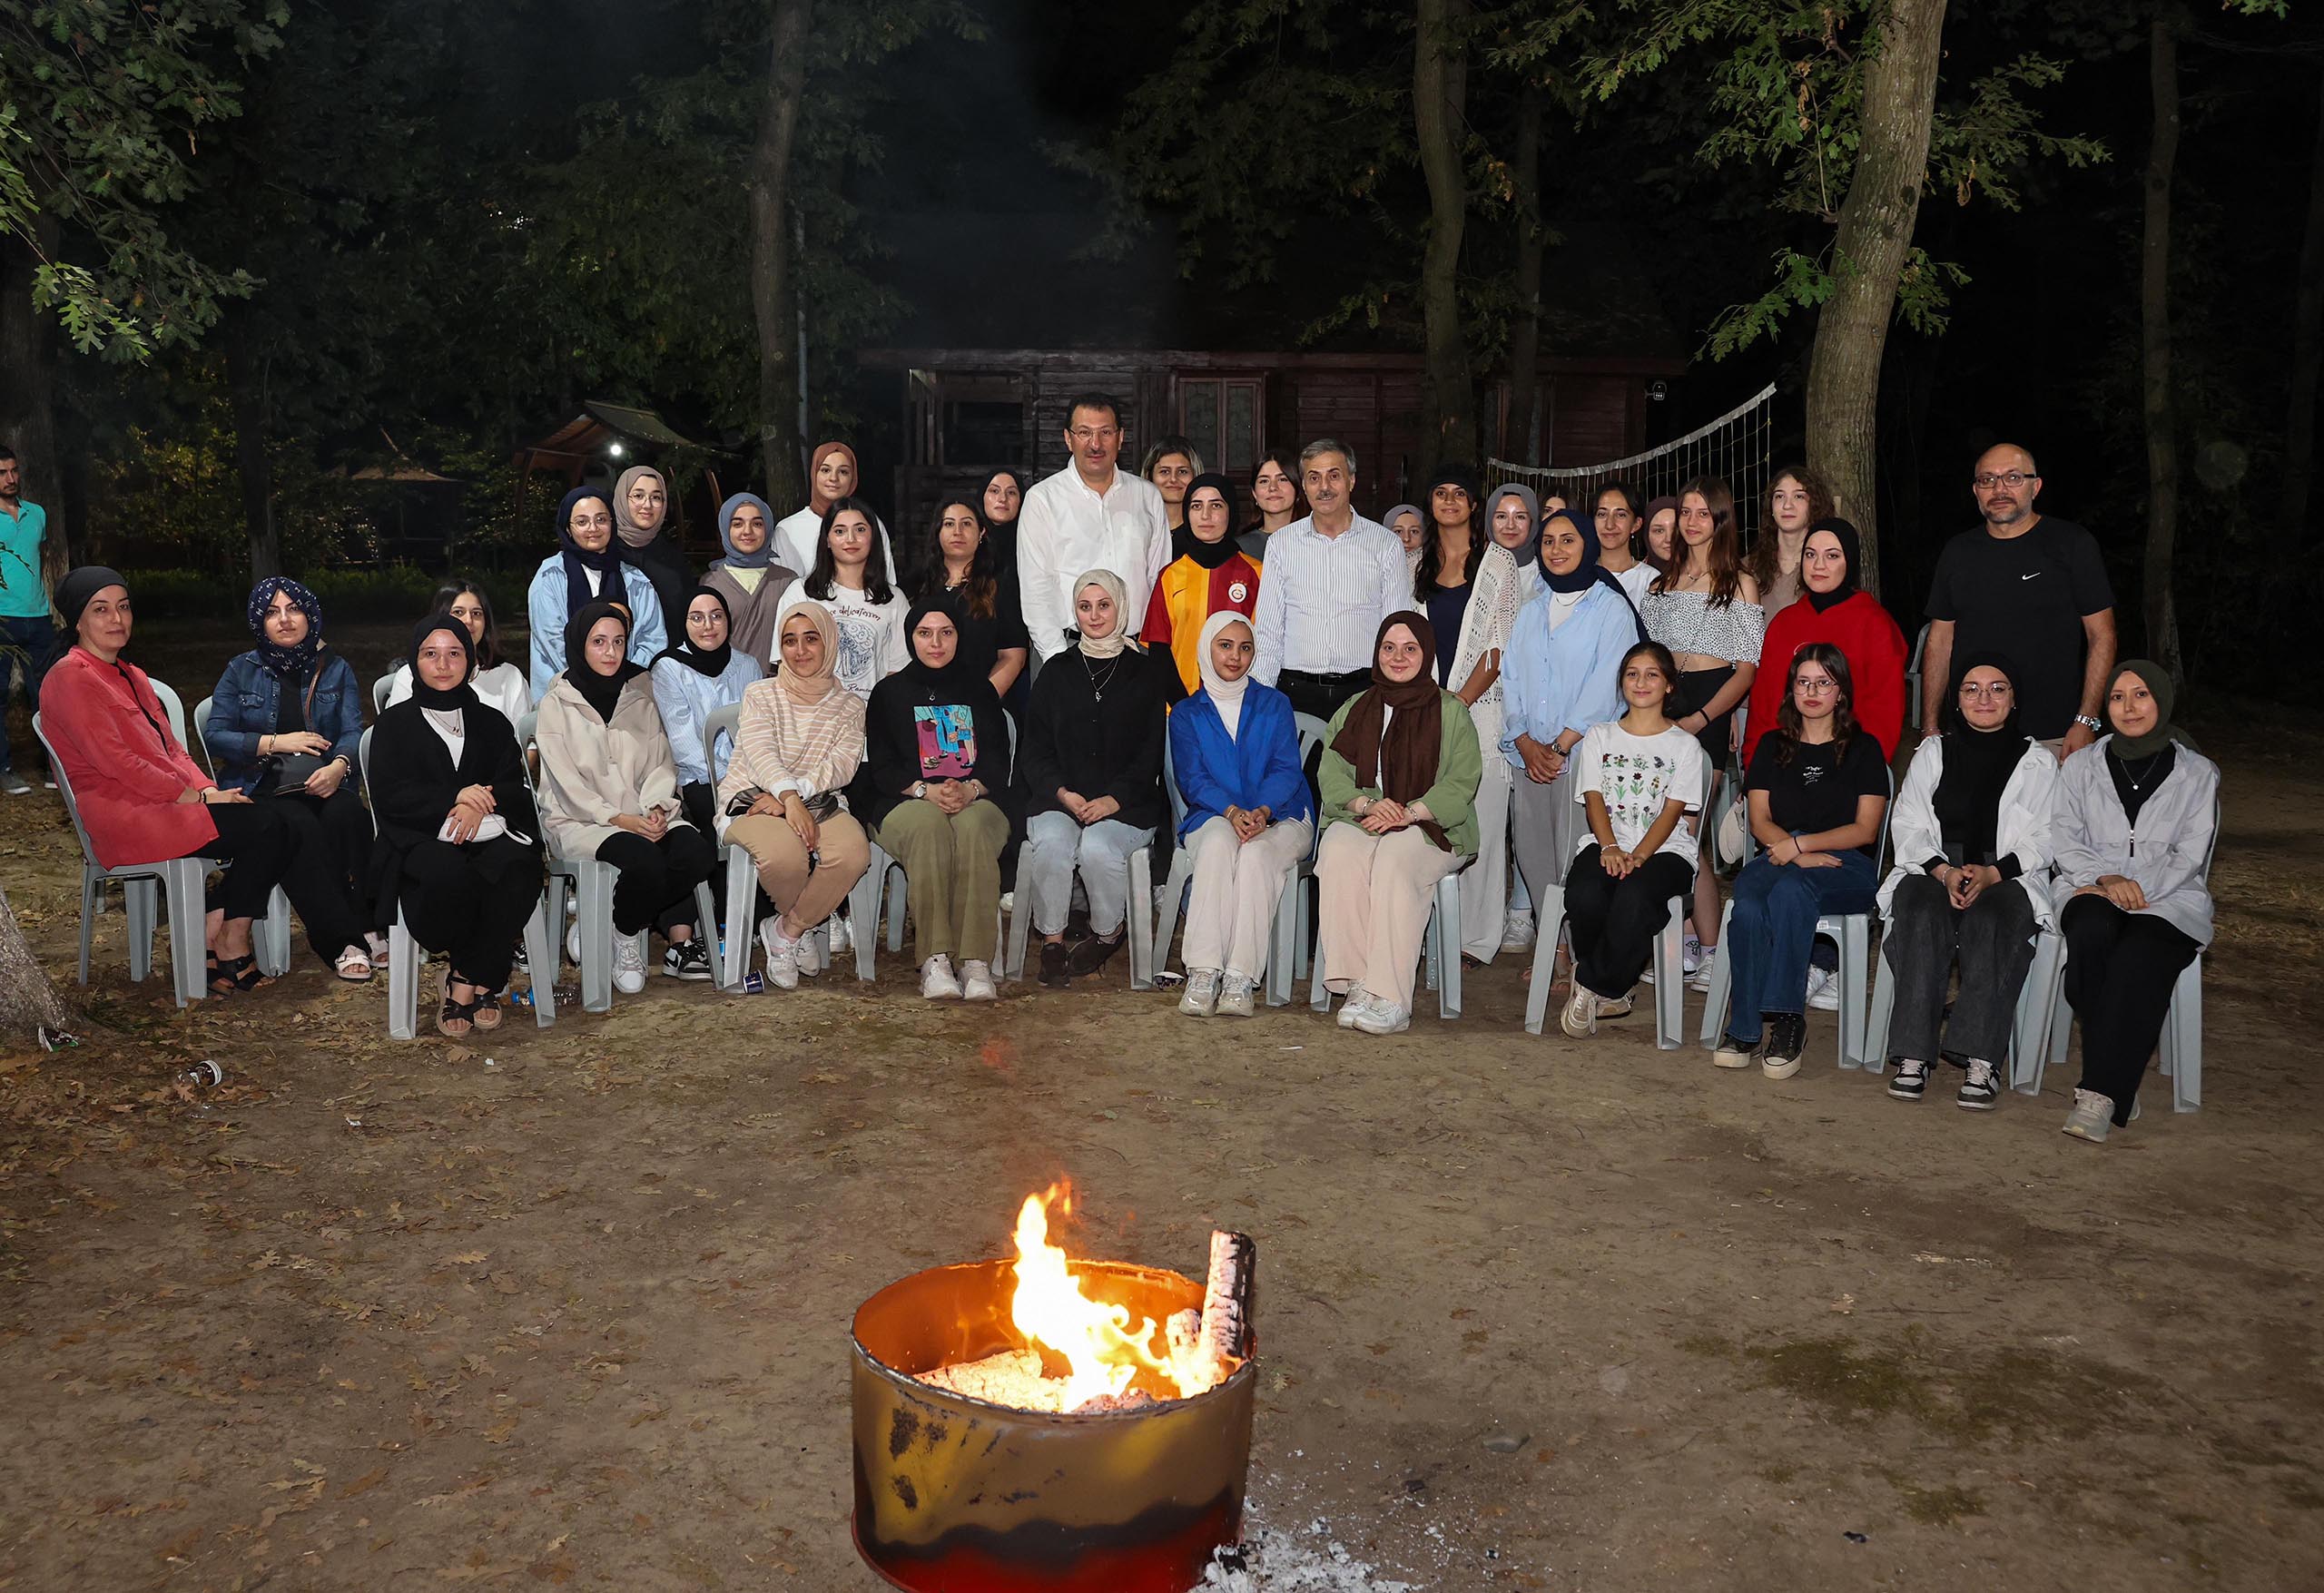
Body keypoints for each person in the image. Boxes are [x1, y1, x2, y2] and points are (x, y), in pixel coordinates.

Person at [39, 567, 369, 992]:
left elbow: (174, 750)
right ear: (77, 621)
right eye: (100, 610)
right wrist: (191, 796)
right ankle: (231, 937)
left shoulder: (131, 675)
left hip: (166, 801)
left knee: (276, 822)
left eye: (123, 607)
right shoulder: (71, 677)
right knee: (272, 823)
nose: (116, 619)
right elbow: (116, 763)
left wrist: (208, 791)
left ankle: (219, 925)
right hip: (124, 812)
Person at [1876, 653, 2059, 1109]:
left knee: (1993, 921)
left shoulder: (2039, 762)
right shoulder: (1934, 752)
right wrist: (1944, 870)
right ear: (1956, 699)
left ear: (2014, 699)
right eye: (1971, 689)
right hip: (1933, 869)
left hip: (2008, 875)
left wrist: (1996, 872)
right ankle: (1913, 1055)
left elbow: (2049, 833)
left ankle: (1981, 1057)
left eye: (1997, 688)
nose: (1984, 698)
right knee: (1918, 911)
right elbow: (1909, 822)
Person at [2052, 661, 2219, 1143]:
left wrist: (2138, 887)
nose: (2129, 707)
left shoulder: (2197, 773)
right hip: (2091, 885)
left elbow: (2190, 852)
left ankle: (2101, 1092)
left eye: (2141, 695)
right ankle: (2121, 1075)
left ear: (2162, 701)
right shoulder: (2081, 765)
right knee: (2089, 930)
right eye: (2118, 697)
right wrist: (2106, 878)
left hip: (2170, 895)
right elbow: (2064, 836)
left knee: (2140, 953)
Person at [1711, 644, 1889, 1077]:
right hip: (1780, 852)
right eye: (1803, 682)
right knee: (1749, 901)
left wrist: (1802, 847)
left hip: (1846, 865)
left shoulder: (1864, 749)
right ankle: (1746, 1027)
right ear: (1791, 690)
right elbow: (1759, 819)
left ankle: (1788, 1020)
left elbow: (1865, 830)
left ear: (1841, 692)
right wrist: (1789, 850)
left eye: (1824, 682)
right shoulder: (1773, 745)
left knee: (1792, 889)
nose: (1812, 691)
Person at [367, 615, 546, 1036]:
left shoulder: (492, 721)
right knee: (447, 873)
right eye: (431, 654)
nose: (443, 664)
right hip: (421, 836)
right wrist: (455, 797)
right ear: (415, 661)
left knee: (518, 866)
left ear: (469, 660)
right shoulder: (394, 725)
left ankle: (465, 979)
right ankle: (486, 973)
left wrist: (479, 804)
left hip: (489, 828)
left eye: (454, 654)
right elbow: (391, 796)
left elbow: (513, 785)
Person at [1313, 614, 1482, 1035]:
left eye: (1411, 648)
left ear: (1426, 655)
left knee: (1393, 858)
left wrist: (1409, 813)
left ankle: (1390, 997)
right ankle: (1357, 983)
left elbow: (1460, 783)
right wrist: (1367, 804)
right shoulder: (1357, 707)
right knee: (1337, 850)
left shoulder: (1451, 711)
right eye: (1389, 647)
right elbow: (1331, 773)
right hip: (1365, 818)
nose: (1398, 657)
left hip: (1430, 826)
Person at [533, 602, 717, 989]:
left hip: (641, 812)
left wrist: (655, 808)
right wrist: (618, 819)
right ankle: (627, 930)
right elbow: (565, 784)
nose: (611, 652)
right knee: (646, 861)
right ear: (580, 645)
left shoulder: (639, 700)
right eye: (599, 642)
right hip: (580, 820)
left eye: (618, 642)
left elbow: (660, 766)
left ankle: (616, 924)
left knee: (696, 853)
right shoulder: (555, 705)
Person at [203, 576, 378, 974]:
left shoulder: (335, 668)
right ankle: (344, 940)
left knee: (348, 815)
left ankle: (369, 924)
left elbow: (352, 730)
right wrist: (275, 742)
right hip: (263, 789)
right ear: (257, 622)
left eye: (293, 608)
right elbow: (216, 734)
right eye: (271, 612)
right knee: (300, 825)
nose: (284, 620)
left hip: (324, 781)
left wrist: (339, 767)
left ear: (310, 614)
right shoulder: (240, 670)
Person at [852, 603, 1017, 1001]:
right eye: (925, 633)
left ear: (959, 637)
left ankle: (975, 960)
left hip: (975, 796)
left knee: (973, 827)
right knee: (929, 828)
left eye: (946, 632)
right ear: (911, 638)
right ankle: (936, 957)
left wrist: (971, 789)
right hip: (906, 799)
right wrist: (926, 790)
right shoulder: (888, 693)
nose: (936, 642)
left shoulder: (980, 689)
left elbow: (997, 758)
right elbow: (883, 769)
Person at [1501, 508, 1647, 950]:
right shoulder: (1531, 611)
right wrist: (1525, 742)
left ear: (1586, 545)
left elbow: (1608, 685)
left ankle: (1579, 951)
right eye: (1548, 541)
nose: (1557, 550)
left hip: (1583, 758)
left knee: (1574, 858)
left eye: (1568, 540)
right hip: (1530, 759)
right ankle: (1553, 951)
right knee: (1534, 856)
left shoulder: (1611, 608)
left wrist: (1561, 747)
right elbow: (1511, 679)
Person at [1021, 571, 1171, 986]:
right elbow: (1034, 750)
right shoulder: (1056, 671)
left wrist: (1112, 800)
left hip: (1127, 803)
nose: (1094, 615)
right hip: (1060, 797)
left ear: (1121, 607)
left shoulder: (1144, 673)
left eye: (1103, 605)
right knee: (1052, 842)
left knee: (1098, 848)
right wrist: (1064, 794)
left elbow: (1149, 754)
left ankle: (1108, 933)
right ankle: (1052, 941)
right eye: (1085, 607)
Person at [1640, 476, 1764, 981]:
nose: (1691, 523)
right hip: (1663, 708)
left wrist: (1706, 717)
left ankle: (1713, 952)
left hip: (1708, 712)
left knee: (1688, 833)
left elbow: (1746, 670)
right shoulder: (1659, 584)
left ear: (1720, 520)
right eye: (1685, 512)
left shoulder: (1740, 583)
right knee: (1659, 832)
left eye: (1701, 513)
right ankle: (1685, 943)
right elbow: (1647, 661)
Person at [1921, 444, 2116, 757]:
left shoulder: (2072, 545)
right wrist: (1930, 727)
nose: (1999, 489)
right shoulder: (1957, 552)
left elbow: (2102, 635)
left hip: (2054, 736)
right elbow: (1940, 641)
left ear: (2035, 486)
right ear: (1975, 490)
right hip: (1970, 735)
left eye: (2013, 478)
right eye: (1987, 480)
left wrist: (2086, 721)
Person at [717, 597, 872, 989]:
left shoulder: (850, 706)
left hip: (818, 800)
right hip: (753, 799)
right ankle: (801, 928)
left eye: (811, 639)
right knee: (784, 856)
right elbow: (760, 753)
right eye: (789, 641)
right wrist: (788, 799)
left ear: (829, 643)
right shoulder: (760, 693)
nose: (800, 651)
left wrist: (794, 797)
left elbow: (841, 765)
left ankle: (787, 931)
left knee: (853, 852)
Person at [1560, 642, 1709, 1037]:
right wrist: (1610, 848)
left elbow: (1673, 811)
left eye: (1652, 674)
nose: (1641, 682)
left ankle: (1591, 983)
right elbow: (1593, 798)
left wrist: (1639, 855)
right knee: (1586, 893)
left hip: (1665, 851)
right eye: (1632, 674)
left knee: (1635, 896)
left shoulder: (1685, 746)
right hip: (1606, 842)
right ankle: (1610, 988)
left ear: (1669, 686)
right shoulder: (1600, 737)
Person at [1171, 613, 1315, 1018]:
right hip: (1214, 815)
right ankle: (1203, 971)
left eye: (1245, 647)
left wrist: (1262, 811)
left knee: (1255, 856)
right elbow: (1192, 779)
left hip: (1283, 815)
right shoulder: (1186, 713)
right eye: (1225, 645)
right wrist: (1233, 812)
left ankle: (1239, 977)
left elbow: (1287, 769)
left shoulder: (1275, 704)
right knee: (1218, 845)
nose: (1235, 656)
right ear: (1207, 649)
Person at [1419, 469, 1524, 962]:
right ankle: (1431, 930)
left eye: (1459, 493)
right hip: (1424, 714)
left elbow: (1500, 645)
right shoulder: (1414, 563)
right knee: (1430, 825)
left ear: (1473, 504)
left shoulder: (1498, 563)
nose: (1449, 501)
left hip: (1480, 711)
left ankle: (1477, 940)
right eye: (1440, 492)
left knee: (1480, 825)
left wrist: (1457, 702)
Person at [1250, 440, 1409, 722]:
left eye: (1334, 475)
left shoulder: (1385, 544)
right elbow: (1268, 631)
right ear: (1305, 487)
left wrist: (1396, 697)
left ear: (1351, 481)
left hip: (1364, 693)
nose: (1324, 487)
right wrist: (1261, 699)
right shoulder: (1281, 544)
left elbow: (1396, 629)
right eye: (1314, 478)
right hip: (1295, 694)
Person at [1741, 517, 1907, 767]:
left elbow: (1885, 712)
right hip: (1786, 763)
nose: (1818, 565)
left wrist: (1867, 773)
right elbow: (1764, 705)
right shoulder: (1785, 623)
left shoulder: (1874, 624)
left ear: (1849, 562)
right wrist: (1755, 766)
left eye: (1832, 556)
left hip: (1848, 764)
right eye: (1810, 554)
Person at [1018, 394, 1171, 662]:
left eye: (1106, 432)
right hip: (1065, 649)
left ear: (1121, 437)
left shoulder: (1147, 496)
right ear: (1068, 438)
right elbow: (1036, 588)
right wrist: (1058, 660)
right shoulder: (1043, 499)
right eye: (1085, 433)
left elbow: (1159, 580)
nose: (1095, 444)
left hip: (1135, 652)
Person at [527, 487, 667, 701]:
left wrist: (620, 677)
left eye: (601, 519)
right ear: (568, 529)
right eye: (582, 522)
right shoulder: (550, 577)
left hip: (626, 696)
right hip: (563, 698)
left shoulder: (635, 580)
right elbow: (553, 642)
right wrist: (596, 683)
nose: (593, 528)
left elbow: (652, 640)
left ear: (612, 523)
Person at [651, 586, 765, 835]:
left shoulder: (748, 665)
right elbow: (684, 744)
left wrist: (753, 777)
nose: (708, 626)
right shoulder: (669, 669)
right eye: (697, 618)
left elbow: (759, 730)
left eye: (716, 616)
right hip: (699, 778)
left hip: (750, 775)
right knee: (728, 828)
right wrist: (728, 780)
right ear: (684, 622)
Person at [772, 497, 908, 702]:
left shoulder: (894, 599)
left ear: (874, 537)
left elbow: (898, 670)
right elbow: (787, 666)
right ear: (827, 539)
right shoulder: (800, 593)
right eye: (840, 531)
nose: (850, 539)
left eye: (860, 529)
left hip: (872, 720)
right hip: (813, 716)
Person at [1141, 472, 1262, 696]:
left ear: (1231, 512)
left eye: (1216, 506)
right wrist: (1184, 707)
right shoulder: (1170, 575)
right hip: (1178, 708)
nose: (1205, 515)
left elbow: (1263, 646)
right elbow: (1159, 649)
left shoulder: (1256, 573)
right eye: (1196, 506)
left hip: (1238, 706)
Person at [913, 495, 1029, 700]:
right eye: (949, 524)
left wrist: (981, 702)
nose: (957, 532)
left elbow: (1013, 656)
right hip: (923, 705)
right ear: (938, 532)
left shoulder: (1000, 586)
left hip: (981, 703)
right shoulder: (915, 586)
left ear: (981, 532)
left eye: (966, 523)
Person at [382, 581, 529, 723]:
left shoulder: (509, 676)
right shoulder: (409, 677)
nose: (468, 620)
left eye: (476, 613)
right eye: (458, 612)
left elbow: (525, 739)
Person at [0, 443, 56, 794]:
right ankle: (4, 767)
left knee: (48, 695)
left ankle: (53, 765)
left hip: (39, 617)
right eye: (2, 473)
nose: (10, 479)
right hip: (1, 620)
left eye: (14, 471)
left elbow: (40, 558)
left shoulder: (37, 513)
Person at [702, 491, 800, 674]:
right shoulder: (711, 582)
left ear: (768, 528)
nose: (747, 531)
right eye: (737, 524)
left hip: (777, 687)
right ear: (725, 528)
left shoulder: (788, 581)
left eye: (757, 523)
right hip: (724, 685)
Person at [774, 441, 899, 584]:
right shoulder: (787, 529)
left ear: (853, 478)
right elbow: (783, 589)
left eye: (843, 472)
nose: (833, 478)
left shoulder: (869, 522)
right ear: (814, 473)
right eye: (826, 470)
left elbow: (886, 582)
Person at [612, 464, 696, 628]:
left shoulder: (674, 559)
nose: (647, 505)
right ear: (622, 498)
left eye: (656, 497)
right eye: (638, 495)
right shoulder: (604, 555)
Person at [1746, 465, 1834, 620]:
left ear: (1814, 505)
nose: (1787, 505)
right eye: (1780, 496)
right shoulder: (1747, 568)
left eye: (1798, 496)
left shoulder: (1827, 569)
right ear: (1771, 507)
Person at [1591, 482, 1656, 607]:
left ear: (1636, 524)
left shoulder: (1650, 580)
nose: (1609, 524)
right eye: (1602, 514)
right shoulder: (1582, 574)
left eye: (1620, 515)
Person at [1236, 448, 1304, 563]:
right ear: (1254, 493)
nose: (1273, 488)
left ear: (1298, 489)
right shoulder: (1239, 548)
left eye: (1282, 479)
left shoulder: (1316, 542)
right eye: (1264, 481)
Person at [1486, 483, 1542, 606]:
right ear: (1490, 521)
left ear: (1532, 522)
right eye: (1501, 516)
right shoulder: (1473, 569)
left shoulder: (1544, 576)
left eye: (1520, 517)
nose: (1510, 525)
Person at [1140, 436, 1203, 533]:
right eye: (1165, 471)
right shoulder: (1135, 528)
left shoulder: (1205, 531)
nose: (1173, 479)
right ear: (1149, 476)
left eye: (1182, 472)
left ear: (1195, 475)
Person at [979, 467, 1029, 573]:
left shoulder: (1030, 544)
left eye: (1011, 492)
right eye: (995, 491)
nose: (1003, 499)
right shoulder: (966, 541)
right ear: (982, 496)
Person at [1641, 497, 1678, 570]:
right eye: (1659, 531)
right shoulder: (1636, 578)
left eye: (1675, 529)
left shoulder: (1704, 575)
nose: (1669, 539)